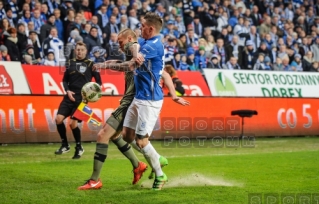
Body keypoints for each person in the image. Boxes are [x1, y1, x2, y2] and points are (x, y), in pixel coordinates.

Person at [78, 28, 189, 190]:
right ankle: (142, 164)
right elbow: (163, 74)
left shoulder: (136, 48)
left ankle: (95, 180)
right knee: (119, 136)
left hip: (133, 101)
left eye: (120, 42)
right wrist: (105, 64)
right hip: (131, 100)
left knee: (104, 135)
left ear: (129, 38)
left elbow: (133, 56)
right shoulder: (136, 52)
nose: (119, 45)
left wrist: (173, 95)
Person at [121, 13, 188, 190]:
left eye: (142, 26)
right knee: (127, 136)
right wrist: (173, 95)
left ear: (150, 29)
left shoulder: (154, 46)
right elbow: (163, 72)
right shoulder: (145, 41)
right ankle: (157, 157)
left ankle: (160, 174)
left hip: (149, 101)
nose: (139, 28)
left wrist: (105, 65)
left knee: (142, 141)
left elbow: (130, 65)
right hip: (139, 97)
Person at [55, 41, 102, 159]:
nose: (79, 51)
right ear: (75, 51)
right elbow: (64, 80)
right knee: (58, 119)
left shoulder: (91, 64)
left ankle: (79, 147)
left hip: (82, 99)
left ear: (86, 51)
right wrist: (67, 90)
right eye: (78, 49)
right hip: (69, 96)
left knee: (72, 123)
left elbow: (99, 82)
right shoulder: (70, 63)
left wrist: (92, 94)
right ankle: (65, 145)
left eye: (82, 50)